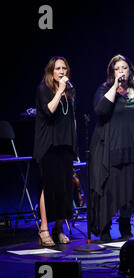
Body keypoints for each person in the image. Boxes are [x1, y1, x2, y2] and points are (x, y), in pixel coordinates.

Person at [89, 54, 134, 242]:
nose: (121, 71)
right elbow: (100, 111)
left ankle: (125, 225)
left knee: (130, 189)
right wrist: (114, 87)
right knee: (110, 190)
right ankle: (105, 227)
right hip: (109, 150)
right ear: (112, 72)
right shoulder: (104, 90)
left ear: (130, 70)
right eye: (117, 69)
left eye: (124, 68)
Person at [34, 56, 77, 246]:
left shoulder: (69, 91)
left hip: (65, 145)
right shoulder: (44, 88)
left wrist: (74, 146)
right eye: (58, 69)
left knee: (64, 188)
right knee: (49, 186)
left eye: (64, 69)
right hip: (48, 145)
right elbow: (49, 110)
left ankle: (58, 228)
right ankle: (44, 229)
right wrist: (59, 90)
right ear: (51, 71)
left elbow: (72, 119)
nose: (62, 72)